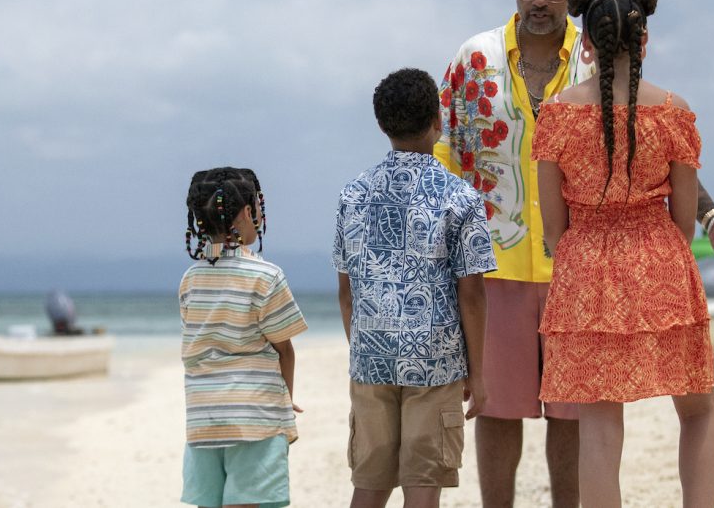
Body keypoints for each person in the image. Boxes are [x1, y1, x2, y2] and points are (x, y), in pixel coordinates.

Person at [434, 0, 714, 508]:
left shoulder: (581, 77)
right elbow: (445, 156)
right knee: (502, 408)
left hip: (575, 266)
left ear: (572, 0)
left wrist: (708, 215)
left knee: (583, 415)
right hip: (498, 259)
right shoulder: (474, 58)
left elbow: (633, 167)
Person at [533, 0, 714, 507]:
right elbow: (684, 220)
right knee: (698, 408)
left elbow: (553, 228)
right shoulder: (673, 111)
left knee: (599, 425)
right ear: (644, 39)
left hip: (586, 263)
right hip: (660, 256)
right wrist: (657, 255)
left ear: (586, 41)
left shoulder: (558, 114)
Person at [333, 68, 497, 508]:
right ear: (438, 122)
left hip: (371, 358)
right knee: (423, 484)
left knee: (369, 483)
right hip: (435, 360)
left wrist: (364, 349)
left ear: (381, 124)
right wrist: (478, 373)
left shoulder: (353, 194)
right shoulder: (460, 198)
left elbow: (346, 291)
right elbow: (473, 294)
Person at [180, 167, 308, 508]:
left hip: (203, 420)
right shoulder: (266, 276)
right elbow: (285, 349)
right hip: (255, 416)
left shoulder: (190, 280)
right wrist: (286, 398)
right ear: (249, 213)